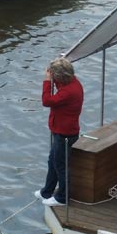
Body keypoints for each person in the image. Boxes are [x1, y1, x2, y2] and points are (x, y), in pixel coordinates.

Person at [35, 57, 84, 207]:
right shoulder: (72, 82)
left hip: (65, 134)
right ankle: (47, 191)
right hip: (61, 131)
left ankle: (62, 197)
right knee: (53, 161)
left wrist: (47, 81)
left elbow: (47, 101)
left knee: (61, 166)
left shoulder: (69, 92)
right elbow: (59, 85)